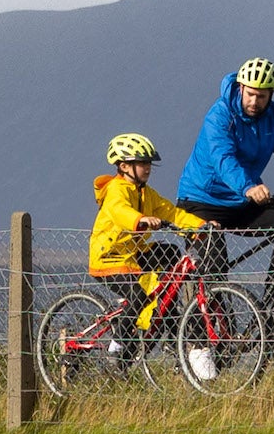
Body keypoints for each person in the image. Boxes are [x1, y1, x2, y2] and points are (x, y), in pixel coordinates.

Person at [174, 58, 274, 299]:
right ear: (240, 87)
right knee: (214, 267)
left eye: (261, 96)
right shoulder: (220, 114)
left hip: (239, 202)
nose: (254, 101)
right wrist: (248, 186)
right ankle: (205, 333)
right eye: (250, 94)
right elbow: (223, 158)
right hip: (201, 201)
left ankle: (269, 312)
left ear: (271, 95)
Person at [90, 133, 217, 381]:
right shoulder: (116, 190)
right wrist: (140, 220)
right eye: (141, 163)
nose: (147, 168)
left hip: (133, 255)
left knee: (170, 253)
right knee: (137, 293)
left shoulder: (147, 193)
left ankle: (166, 317)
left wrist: (201, 225)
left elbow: (172, 212)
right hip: (110, 259)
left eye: (149, 163)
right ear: (124, 167)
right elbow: (120, 211)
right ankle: (115, 349)